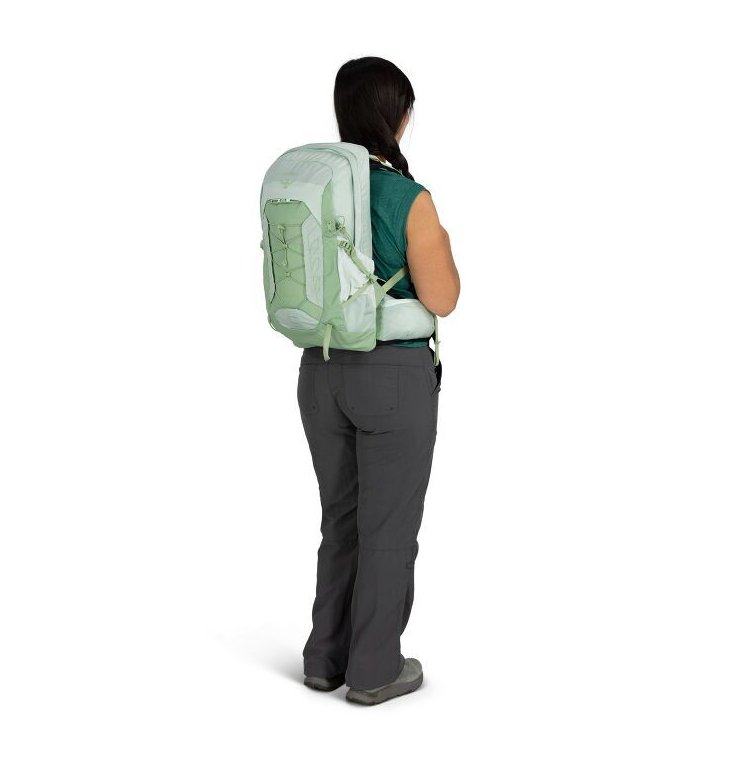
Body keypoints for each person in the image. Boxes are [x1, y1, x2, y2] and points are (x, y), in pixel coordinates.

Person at [299, 56, 461, 705]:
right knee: (387, 529)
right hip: (392, 376)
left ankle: (324, 657)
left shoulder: (313, 190)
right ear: (399, 116)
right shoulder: (405, 198)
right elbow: (443, 298)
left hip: (320, 370)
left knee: (340, 520)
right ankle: (373, 670)